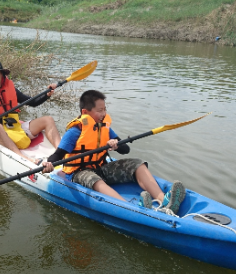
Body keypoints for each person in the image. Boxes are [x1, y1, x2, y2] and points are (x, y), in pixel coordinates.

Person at [42, 90, 186, 214]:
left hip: (102, 167)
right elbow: (58, 154)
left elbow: (126, 149)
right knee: (95, 180)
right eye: (99, 110)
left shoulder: (105, 127)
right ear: (85, 112)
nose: (103, 113)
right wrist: (49, 163)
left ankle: (164, 201)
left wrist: (116, 145)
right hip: (79, 172)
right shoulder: (75, 131)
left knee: (138, 164)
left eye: (105, 109)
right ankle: (131, 209)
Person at [0, 59, 61, 164]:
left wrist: (47, 95)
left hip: (14, 127)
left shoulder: (11, 89)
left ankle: (61, 151)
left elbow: (32, 102)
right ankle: (23, 157)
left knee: (48, 120)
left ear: (2, 74)